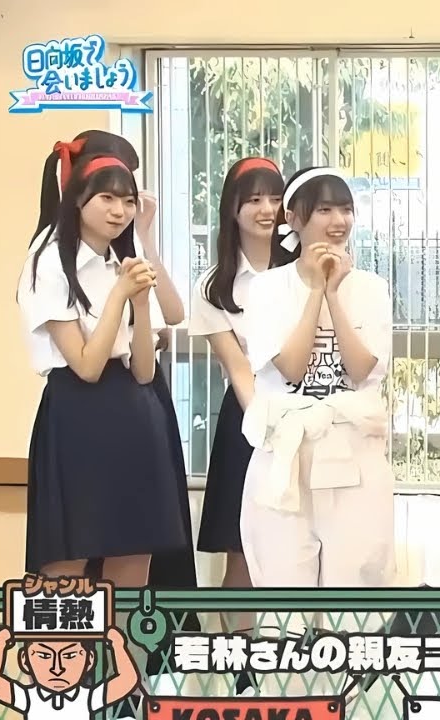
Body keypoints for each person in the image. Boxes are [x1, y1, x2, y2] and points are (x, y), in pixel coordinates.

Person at [17, 154, 188, 587]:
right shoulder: (49, 261)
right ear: (78, 200)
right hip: (76, 415)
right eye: (107, 199)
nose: (120, 211)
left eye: (128, 201)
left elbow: (145, 371)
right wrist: (120, 295)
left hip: (135, 414)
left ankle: (124, 637)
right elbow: (87, 366)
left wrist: (141, 304)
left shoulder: (121, 260)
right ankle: (66, 636)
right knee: (67, 561)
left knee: (133, 554)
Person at [238, 166, 396, 589]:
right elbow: (290, 368)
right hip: (286, 453)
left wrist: (333, 294)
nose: (339, 221)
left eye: (346, 209)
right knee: (283, 591)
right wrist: (314, 292)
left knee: (356, 587)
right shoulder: (267, 288)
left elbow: (360, 369)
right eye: (324, 209)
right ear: (293, 218)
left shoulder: (371, 288)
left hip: (354, 452)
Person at [187, 157, 284, 664]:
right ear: (233, 208)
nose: (267, 209)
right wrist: (268, 424)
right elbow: (238, 368)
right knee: (240, 550)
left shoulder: (303, 268)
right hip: (249, 420)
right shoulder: (214, 287)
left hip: (309, 412)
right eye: (254, 200)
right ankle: (239, 661)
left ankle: (302, 662)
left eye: (275, 198)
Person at [0, 626, 139, 720]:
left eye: (69, 656)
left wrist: (119, 646)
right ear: (25, 660)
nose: (57, 668)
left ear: (89, 660)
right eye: (44, 656)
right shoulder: (30, 697)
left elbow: (126, 681)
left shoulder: (86, 697)